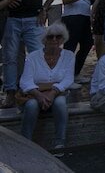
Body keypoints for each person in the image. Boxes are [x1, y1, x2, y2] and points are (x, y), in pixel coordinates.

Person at [3, 0, 59, 107]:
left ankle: (37, 89)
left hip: (34, 17)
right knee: (10, 57)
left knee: (38, 55)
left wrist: (45, 8)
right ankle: (11, 91)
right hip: (12, 18)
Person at [19, 22, 74, 153]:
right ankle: (25, 142)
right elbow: (25, 81)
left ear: (63, 39)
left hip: (58, 93)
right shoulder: (33, 57)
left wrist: (53, 92)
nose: (54, 39)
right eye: (50, 36)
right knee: (31, 105)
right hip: (35, 93)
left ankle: (60, 142)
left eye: (58, 36)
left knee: (60, 103)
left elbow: (68, 79)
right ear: (44, 39)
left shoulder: (69, 55)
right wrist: (39, 95)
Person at [60, 0, 95, 84]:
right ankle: (66, 77)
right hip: (73, 16)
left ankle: (75, 73)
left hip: (84, 15)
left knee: (87, 44)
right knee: (70, 47)